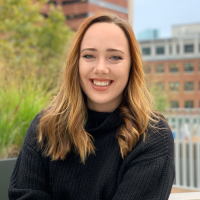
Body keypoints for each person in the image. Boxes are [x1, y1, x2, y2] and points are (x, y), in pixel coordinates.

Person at [8, 13, 175, 200]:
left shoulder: (152, 136)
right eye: (89, 55)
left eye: (115, 57)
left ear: (131, 66)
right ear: (76, 64)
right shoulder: (45, 126)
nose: (101, 68)